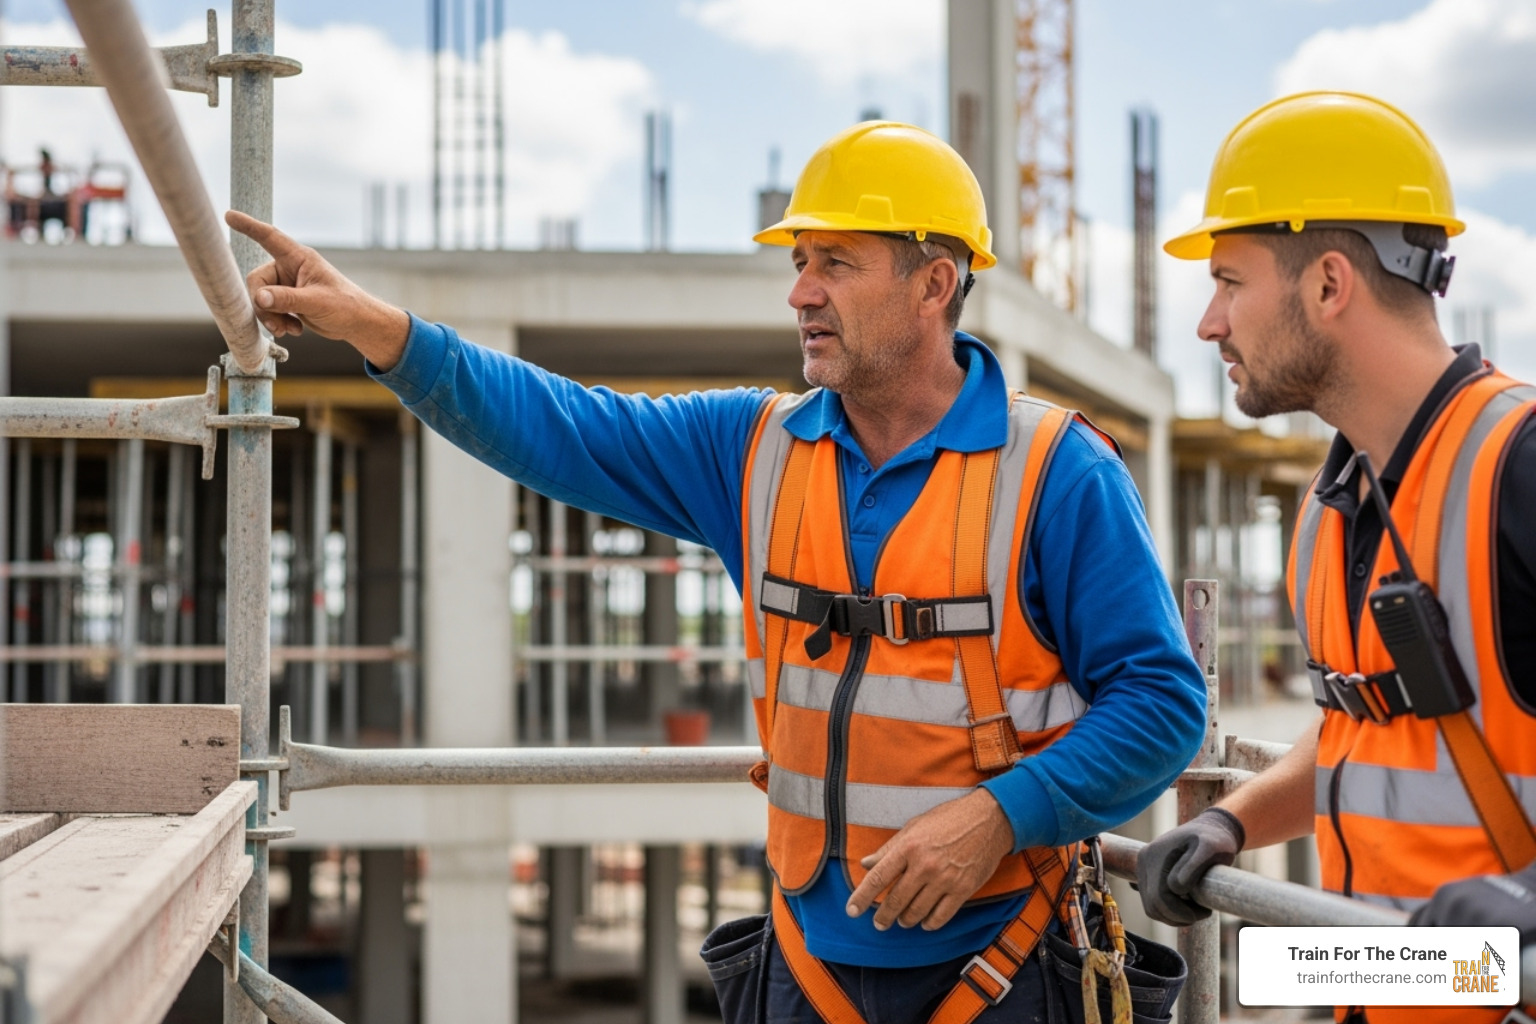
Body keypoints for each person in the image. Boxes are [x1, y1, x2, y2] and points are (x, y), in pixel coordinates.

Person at [228, 120, 1206, 1023]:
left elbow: (1162, 704)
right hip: (805, 974)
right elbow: (559, 427)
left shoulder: (1055, 472)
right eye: (799, 262)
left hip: (1005, 969)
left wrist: (998, 818)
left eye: (836, 263)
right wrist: (378, 329)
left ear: (935, 283)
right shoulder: (753, 450)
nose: (801, 293)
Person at [1136, 92, 1536, 1024]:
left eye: (1228, 282)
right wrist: (1232, 821)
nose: (1208, 323)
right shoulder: (1333, 503)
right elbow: (1367, 729)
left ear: (1327, 284)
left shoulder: (1517, 467)